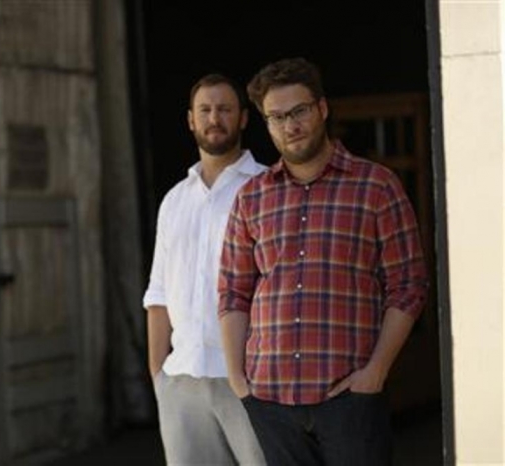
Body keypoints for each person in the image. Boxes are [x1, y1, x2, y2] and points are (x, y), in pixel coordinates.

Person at [218, 57, 429, 466]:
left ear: (322, 109)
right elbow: (233, 290)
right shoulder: (252, 197)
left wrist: (377, 371)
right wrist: (238, 379)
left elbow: (409, 284)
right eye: (276, 117)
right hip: (270, 398)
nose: (290, 125)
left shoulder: (376, 186)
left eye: (298, 111)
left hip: (349, 398)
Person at [143, 73, 266, 465]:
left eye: (225, 109)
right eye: (206, 110)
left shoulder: (268, 187)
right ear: (191, 120)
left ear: (244, 118)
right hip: (181, 381)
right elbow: (158, 292)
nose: (215, 118)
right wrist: (158, 374)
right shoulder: (174, 200)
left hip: (252, 379)